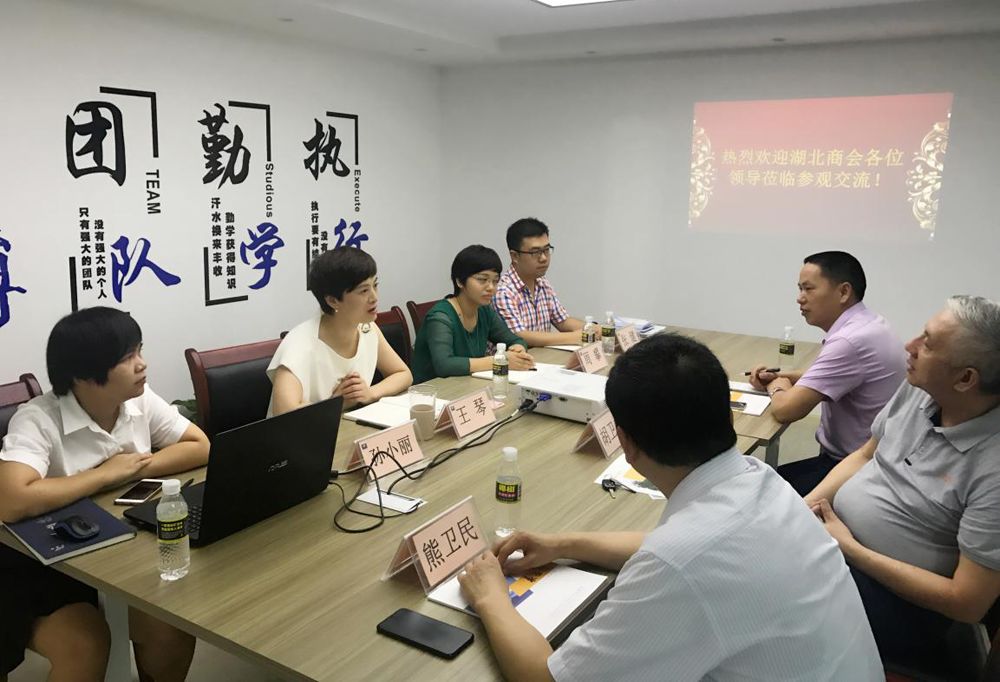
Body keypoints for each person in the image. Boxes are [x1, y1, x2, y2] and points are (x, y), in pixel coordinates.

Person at [458, 333, 882, 682]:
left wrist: (491, 597)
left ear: (624, 442)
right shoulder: (761, 481)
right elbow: (676, 549)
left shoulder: (680, 562)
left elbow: (544, 677)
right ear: (728, 416)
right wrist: (562, 544)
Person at [0, 307, 210, 682]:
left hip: (115, 550)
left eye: (139, 350)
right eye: (127, 358)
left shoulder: (138, 399)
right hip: (41, 565)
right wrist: (102, 475)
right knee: (86, 646)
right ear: (83, 374)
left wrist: (133, 468)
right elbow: (11, 500)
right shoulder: (37, 419)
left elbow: (199, 445)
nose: (142, 364)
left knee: (170, 627)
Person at [807, 295, 1000, 673]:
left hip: (901, 603)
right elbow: (867, 455)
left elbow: (967, 603)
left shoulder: (993, 468)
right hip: (839, 546)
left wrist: (848, 548)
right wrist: (804, 509)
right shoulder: (921, 387)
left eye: (928, 343)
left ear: (965, 379)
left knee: (768, 594)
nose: (909, 346)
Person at [749, 251, 904, 494]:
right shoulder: (869, 323)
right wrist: (785, 377)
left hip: (858, 472)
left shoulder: (849, 341)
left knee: (757, 491)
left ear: (843, 292)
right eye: (800, 289)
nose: (800, 298)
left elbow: (786, 410)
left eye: (808, 289)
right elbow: (824, 377)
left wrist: (775, 385)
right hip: (877, 459)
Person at [268, 247, 412, 416]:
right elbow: (283, 413)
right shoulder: (299, 344)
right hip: (302, 431)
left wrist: (370, 393)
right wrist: (336, 403)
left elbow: (403, 374)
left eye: (375, 285)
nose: (374, 297)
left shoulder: (367, 329)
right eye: (364, 291)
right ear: (333, 301)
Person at [411, 245, 534, 383]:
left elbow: (515, 340)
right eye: (482, 280)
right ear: (459, 281)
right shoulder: (440, 317)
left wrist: (518, 350)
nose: (491, 287)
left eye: (495, 281)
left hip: (466, 384)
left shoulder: (484, 311)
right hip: (433, 390)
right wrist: (499, 360)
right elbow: (444, 365)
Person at [492, 217, 583, 347]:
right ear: (515, 256)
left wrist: (592, 329)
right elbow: (520, 336)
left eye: (546, 250)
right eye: (535, 252)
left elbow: (562, 321)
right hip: (516, 359)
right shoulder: (503, 291)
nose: (544, 258)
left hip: (542, 357)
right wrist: (575, 337)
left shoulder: (542, 283)